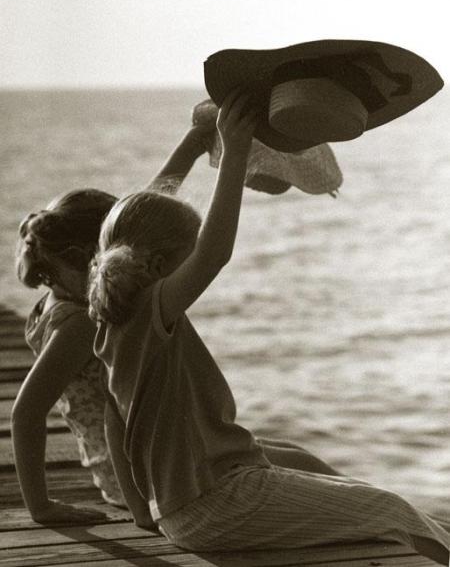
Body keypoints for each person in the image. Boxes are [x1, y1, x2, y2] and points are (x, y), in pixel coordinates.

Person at [88, 89, 449, 564]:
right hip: (214, 504)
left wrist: (195, 144)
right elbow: (214, 253)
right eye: (185, 259)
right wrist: (234, 154)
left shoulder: (114, 318)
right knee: (391, 509)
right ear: (156, 266)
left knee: (300, 459)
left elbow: (114, 422)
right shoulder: (153, 308)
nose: (192, 269)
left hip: (182, 505)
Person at [11, 117, 219, 525]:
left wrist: (193, 144)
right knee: (289, 465)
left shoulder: (56, 300)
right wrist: (42, 508)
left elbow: (144, 215)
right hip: (143, 478)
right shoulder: (80, 324)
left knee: (287, 457)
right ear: (90, 256)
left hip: (136, 463)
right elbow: (25, 413)